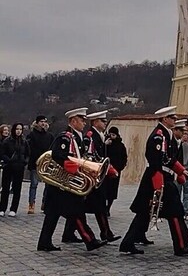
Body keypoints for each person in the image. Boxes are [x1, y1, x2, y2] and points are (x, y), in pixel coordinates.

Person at [119, 106, 188, 256]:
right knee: (174, 211)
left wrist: (180, 170)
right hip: (158, 177)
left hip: (162, 177)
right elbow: (157, 161)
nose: (175, 121)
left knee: (144, 213)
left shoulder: (165, 134)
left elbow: (169, 159)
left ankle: (127, 243)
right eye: (172, 118)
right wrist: (160, 183)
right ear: (164, 119)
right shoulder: (159, 136)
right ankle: (181, 246)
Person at [37, 107, 107, 252]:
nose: (84, 123)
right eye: (82, 120)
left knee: (53, 214)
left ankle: (45, 242)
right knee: (75, 212)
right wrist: (71, 167)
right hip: (61, 184)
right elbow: (57, 155)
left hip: (63, 184)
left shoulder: (76, 137)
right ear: (73, 121)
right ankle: (90, 240)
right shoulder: (65, 137)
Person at [80, 110, 120, 242]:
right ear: (95, 122)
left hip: (99, 176)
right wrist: (105, 168)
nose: (105, 123)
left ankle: (106, 232)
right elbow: (90, 156)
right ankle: (106, 233)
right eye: (102, 121)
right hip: (93, 175)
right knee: (97, 205)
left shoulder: (100, 135)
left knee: (95, 206)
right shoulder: (91, 136)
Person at [0, 123, 30, 217]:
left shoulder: (24, 142)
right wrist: (8, 161)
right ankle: (2, 208)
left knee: (17, 189)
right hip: (8, 167)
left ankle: (13, 209)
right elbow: (2, 153)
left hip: (19, 167)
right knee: (5, 188)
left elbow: (28, 154)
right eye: (17, 129)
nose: (18, 131)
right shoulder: (7, 141)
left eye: (20, 129)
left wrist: (24, 162)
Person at [26, 115, 54, 214]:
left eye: (45, 121)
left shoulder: (49, 136)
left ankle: (45, 203)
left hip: (47, 163)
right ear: (37, 123)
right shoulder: (32, 135)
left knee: (48, 185)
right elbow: (29, 149)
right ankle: (31, 204)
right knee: (34, 184)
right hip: (35, 163)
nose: (43, 123)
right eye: (41, 121)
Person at [104, 126, 127, 215]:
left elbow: (124, 157)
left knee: (112, 191)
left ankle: (108, 208)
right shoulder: (106, 144)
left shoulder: (121, 145)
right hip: (106, 170)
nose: (112, 136)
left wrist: (120, 167)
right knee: (105, 189)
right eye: (110, 134)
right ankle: (103, 207)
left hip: (116, 171)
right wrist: (105, 145)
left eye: (113, 134)